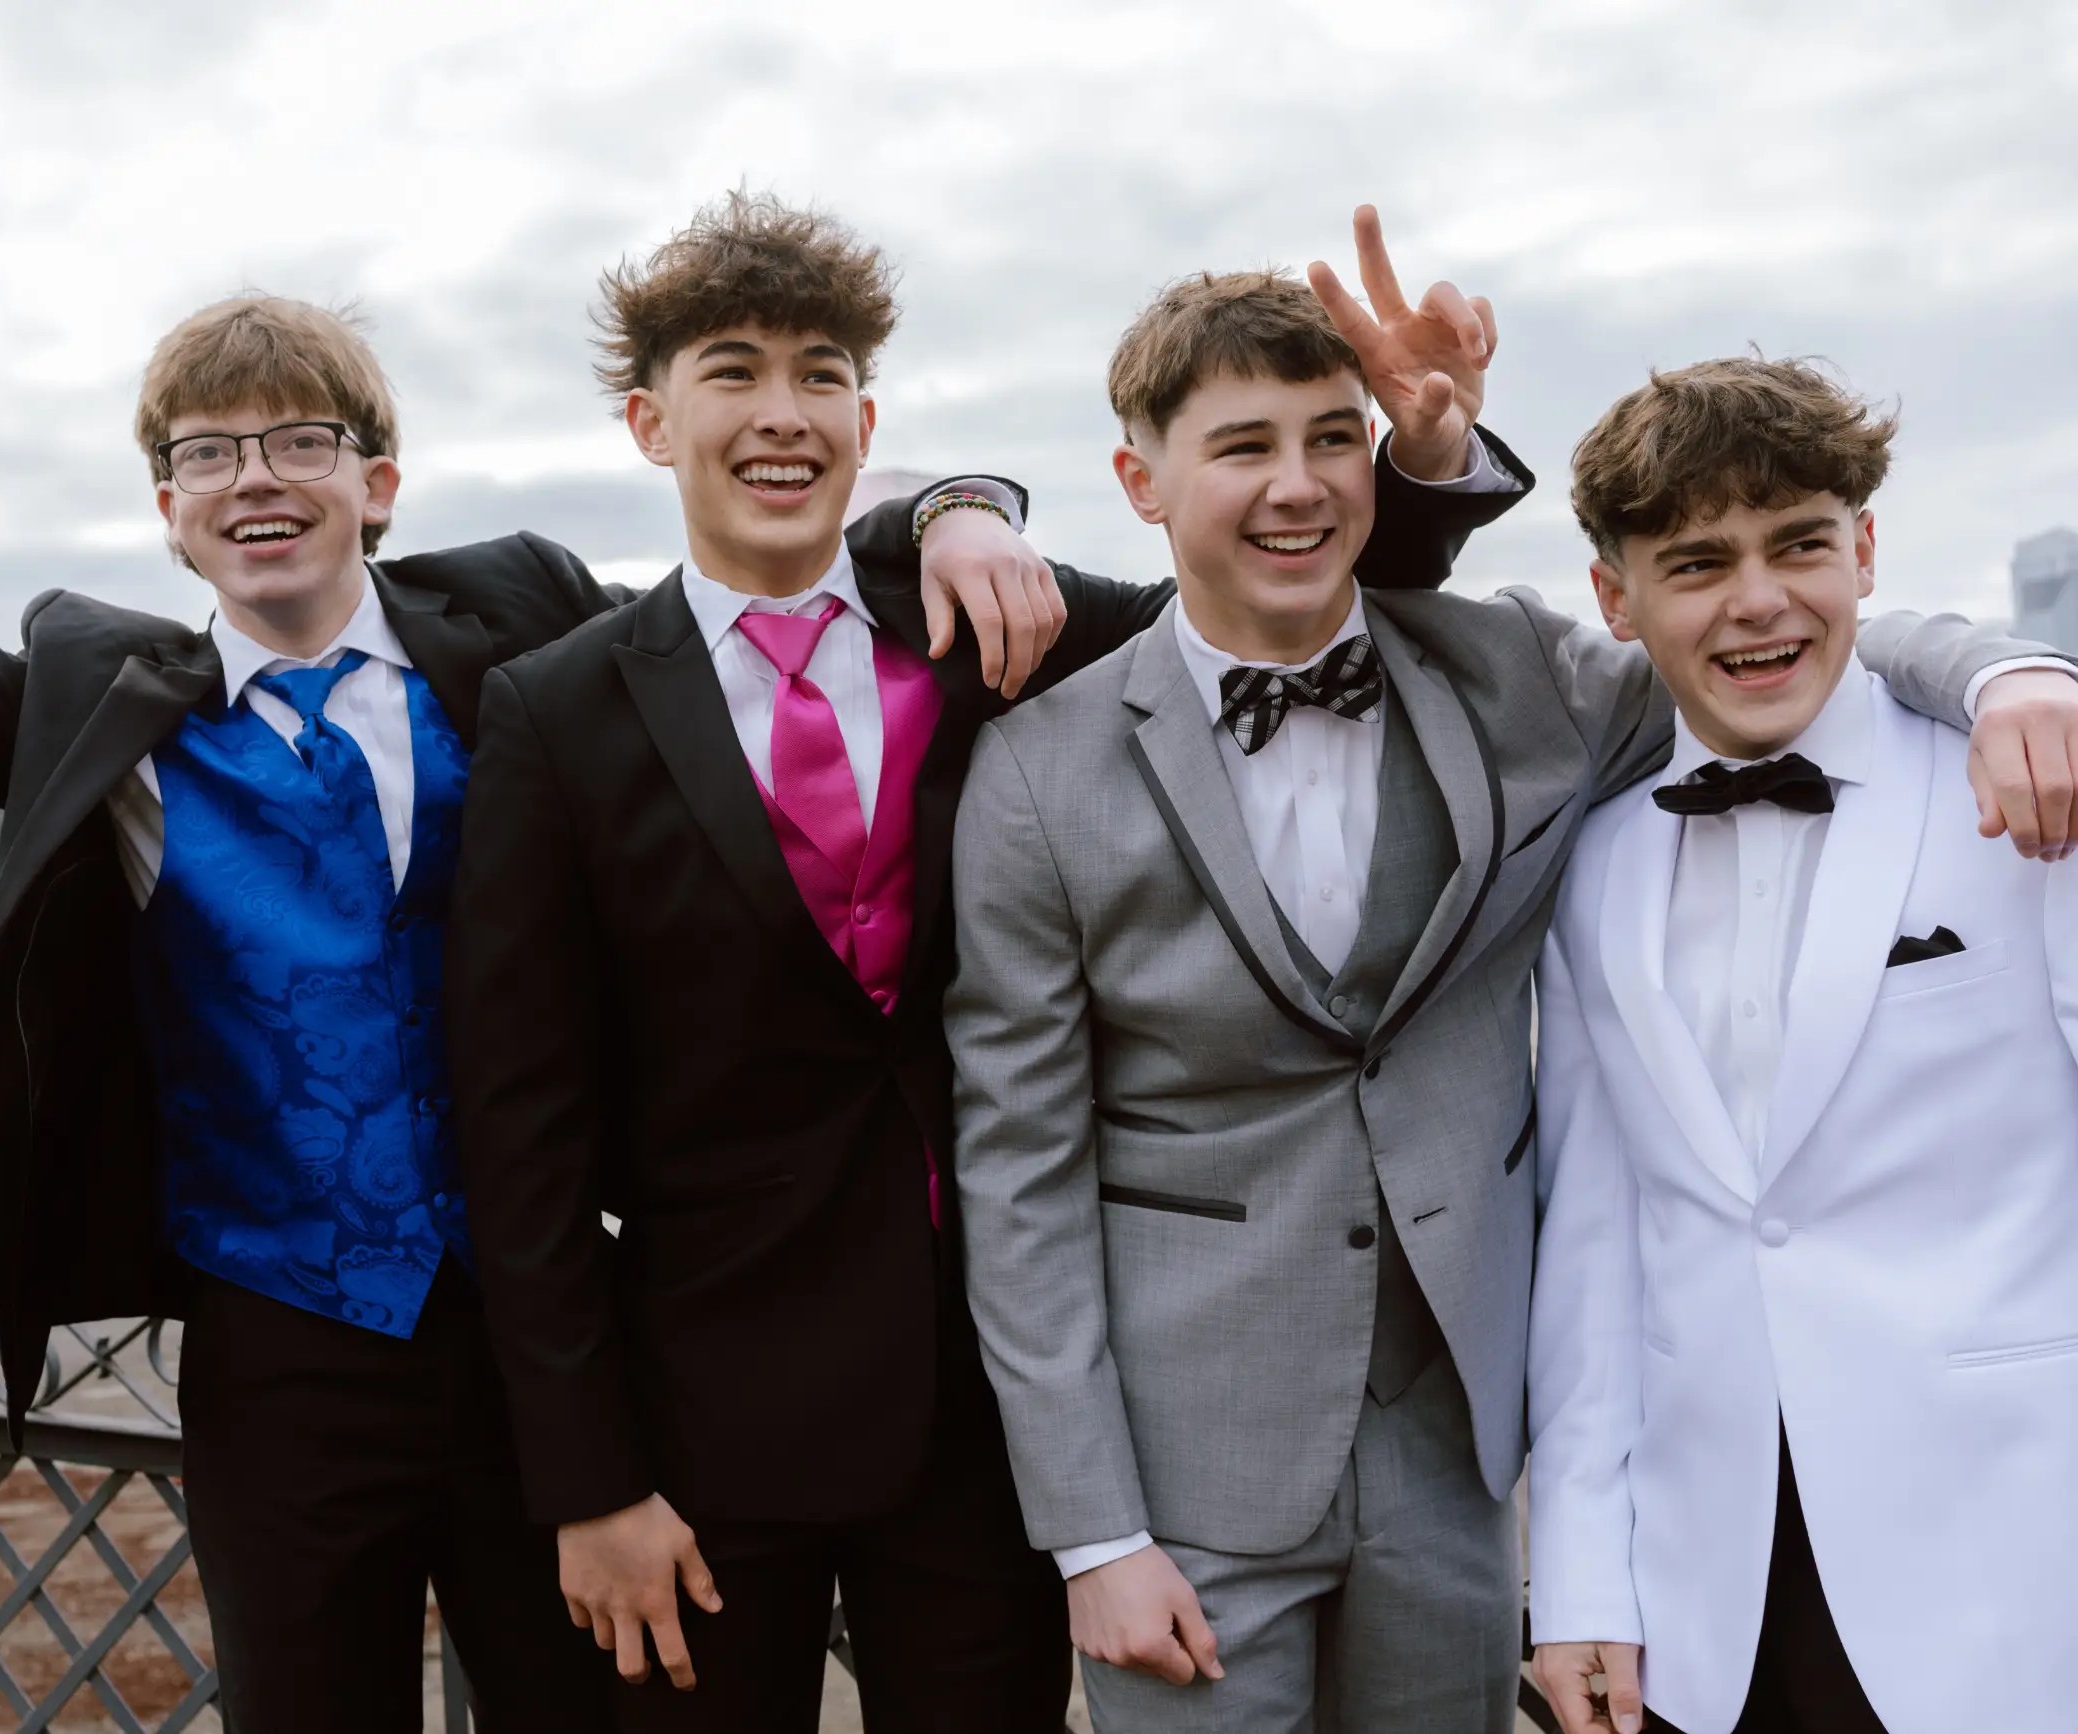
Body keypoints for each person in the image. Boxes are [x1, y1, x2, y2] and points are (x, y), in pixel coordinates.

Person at [0, 8, 1070, 1726]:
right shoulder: (107, 716)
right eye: (209, 453)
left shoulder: (529, 631)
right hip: (282, 1354)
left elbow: (767, 580)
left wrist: (957, 498)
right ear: (166, 512)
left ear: (379, 481)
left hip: (560, 1347)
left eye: (301, 440)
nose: (258, 478)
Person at [939, 226, 2078, 1733]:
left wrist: (2013, 669)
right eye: (1245, 446)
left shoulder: (1520, 679)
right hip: (1190, 1467)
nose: (1299, 482)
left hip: (1462, 1466)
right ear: (1141, 480)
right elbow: (1018, 1169)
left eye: (1334, 439)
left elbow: (1778, 624)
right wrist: (1094, 1529)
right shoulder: (1034, 769)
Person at [443, 191, 1526, 1734]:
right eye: (732, 371)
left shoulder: (986, 624)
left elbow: (1262, 596)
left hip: (991, 1417)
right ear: (647, 418)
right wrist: (590, 1476)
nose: (781, 411)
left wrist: (1418, 454)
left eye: (821, 372)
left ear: (865, 414)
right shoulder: (556, 711)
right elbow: (519, 1123)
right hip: (700, 1422)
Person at [1526, 358, 2078, 1734]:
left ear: (1867, 550)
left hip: (2012, 1560)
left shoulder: (2020, 788)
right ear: (1617, 599)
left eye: (1800, 545)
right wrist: (1581, 1570)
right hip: (1709, 1601)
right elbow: (1597, 1241)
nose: (1759, 599)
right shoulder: (1593, 866)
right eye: (1699, 561)